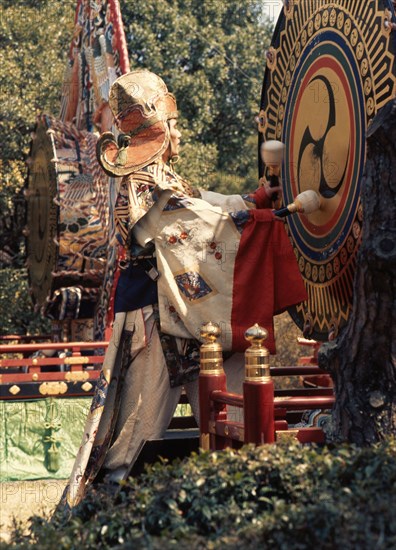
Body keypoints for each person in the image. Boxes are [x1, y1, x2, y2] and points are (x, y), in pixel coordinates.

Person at [62, 69, 306, 510]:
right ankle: (108, 509)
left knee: (230, 406)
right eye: (174, 126)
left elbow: (205, 206)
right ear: (159, 130)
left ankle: (247, 496)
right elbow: (191, 225)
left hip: (193, 311)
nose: (179, 135)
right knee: (141, 424)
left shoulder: (165, 180)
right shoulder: (140, 183)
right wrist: (263, 220)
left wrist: (256, 202)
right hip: (153, 316)